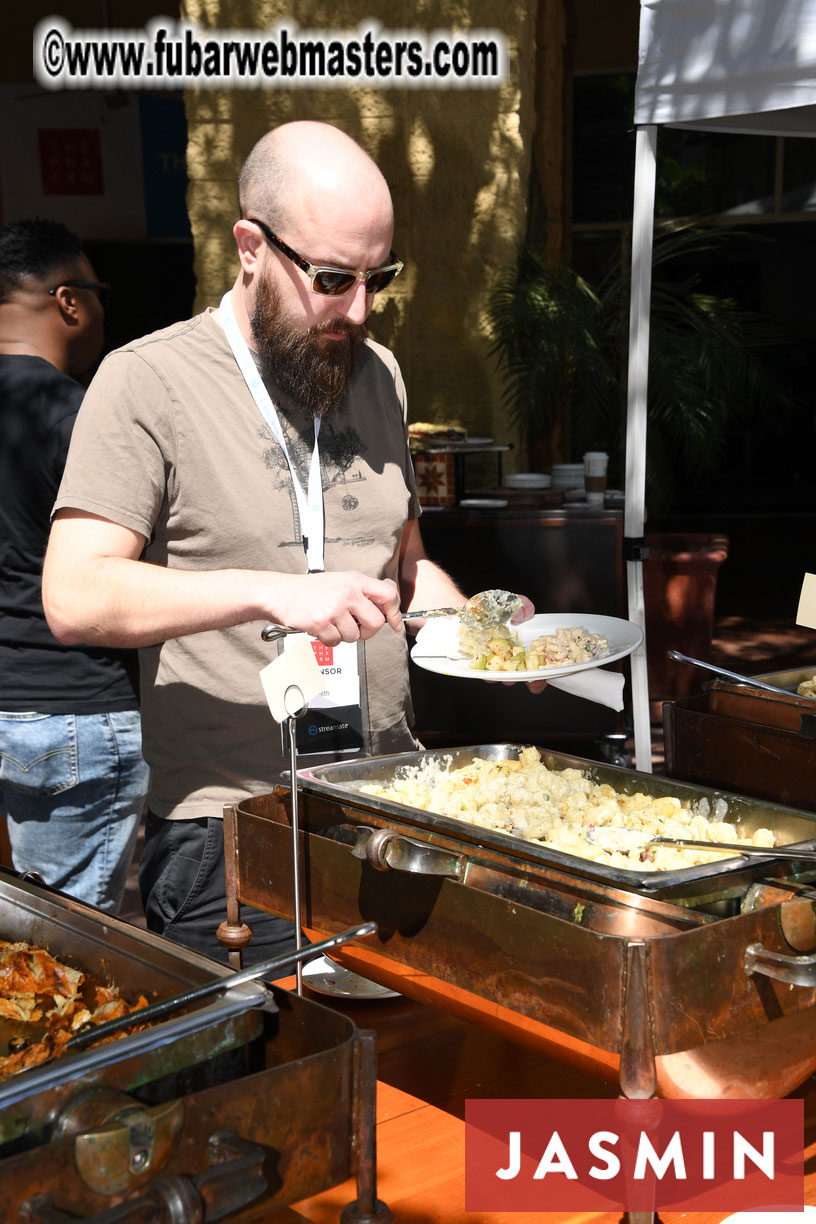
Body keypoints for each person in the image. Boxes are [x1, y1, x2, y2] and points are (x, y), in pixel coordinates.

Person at [42, 122, 538, 964]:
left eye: (379, 278)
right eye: (333, 278)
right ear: (250, 247)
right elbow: (75, 595)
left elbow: (404, 563)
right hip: (231, 827)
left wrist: (482, 628)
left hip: (388, 803)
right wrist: (276, 590)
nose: (360, 308)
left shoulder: (376, 373)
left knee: (412, 1074)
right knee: (279, 1083)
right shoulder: (146, 380)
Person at [0, 218, 148, 913]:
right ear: (69, 301)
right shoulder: (83, 419)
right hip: (73, 712)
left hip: (14, 706)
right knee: (69, 949)